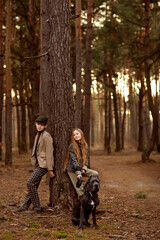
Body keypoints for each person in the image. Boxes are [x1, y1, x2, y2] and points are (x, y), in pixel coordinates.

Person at [14, 115, 55, 213]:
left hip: (44, 165)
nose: (39, 126)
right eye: (37, 124)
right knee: (34, 185)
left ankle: (37, 207)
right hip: (38, 163)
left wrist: (50, 169)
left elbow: (50, 153)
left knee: (30, 182)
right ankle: (25, 206)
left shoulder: (46, 136)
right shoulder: (38, 135)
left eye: (41, 125)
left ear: (46, 126)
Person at [64, 128, 98, 199]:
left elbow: (86, 160)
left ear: (81, 134)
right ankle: (83, 203)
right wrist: (78, 173)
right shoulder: (72, 146)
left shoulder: (85, 145)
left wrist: (84, 169)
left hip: (81, 168)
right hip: (72, 170)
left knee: (95, 174)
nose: (76, 136)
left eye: (77, 134)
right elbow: (74, 161)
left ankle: (89, 188)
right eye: (74, 135)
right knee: (80, 190)